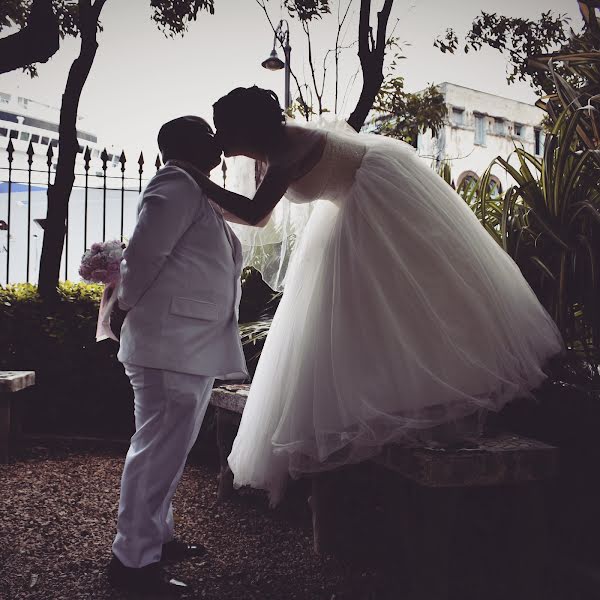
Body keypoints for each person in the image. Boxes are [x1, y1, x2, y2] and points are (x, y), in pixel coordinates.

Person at [176, 86, 564, 507]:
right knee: (361, 316)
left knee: (408, 299)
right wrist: (208, 193)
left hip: (377, 199)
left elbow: (253, 213)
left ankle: (429, 390)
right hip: (350, 206)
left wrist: (194, 178)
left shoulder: (284, 155)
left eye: (224, 129)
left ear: (246, 128)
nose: (219, 138)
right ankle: (388, 398)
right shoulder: (274, 150)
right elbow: (260, 213)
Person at [107, 115, 247, 595]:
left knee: (170, 449)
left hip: (189, 345)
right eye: (206, 132)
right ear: (180, 144)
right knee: (155, 452)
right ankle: (132, 563)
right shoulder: (175, 181)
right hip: (170, 344)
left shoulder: (198, 191)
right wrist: (122, 306)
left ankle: (156, 538)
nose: (217, 137)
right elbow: (144, 256)